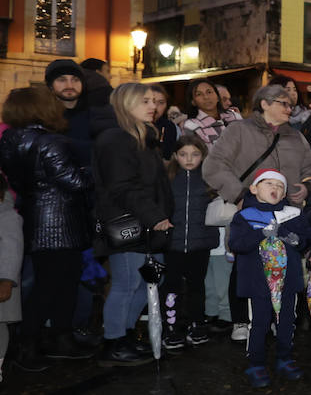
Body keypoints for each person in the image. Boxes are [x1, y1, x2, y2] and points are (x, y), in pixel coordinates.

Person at [203, 84, 311, 341]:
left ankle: (278, 317)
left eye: (291, 104)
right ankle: (241, 319)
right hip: (252, 208)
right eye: (283, 103)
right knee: (247, 262)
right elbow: (214, 166)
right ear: (264, 103)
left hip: (286, 211)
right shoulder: (239, 130)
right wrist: (241, 195)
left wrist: (306, 185)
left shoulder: (295, 136)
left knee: (285, 263)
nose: (290, 108)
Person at [0, 86, 93, 366]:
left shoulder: (9, 139)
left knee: (52, 282)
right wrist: (93, 173)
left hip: (34, 217)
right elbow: (74, 182)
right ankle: (31, 343)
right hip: (60, 221)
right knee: (56, 284)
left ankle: (55, 338)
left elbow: (15, 181)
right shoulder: (51, 141)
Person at [92, 83, 174, 368]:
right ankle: (113, 341)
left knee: (151, 279)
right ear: (126, 104)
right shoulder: (116, 139)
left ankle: (124, 336)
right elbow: (122, 187)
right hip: (127, 223)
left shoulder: (142, 136)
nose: (153, 106)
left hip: (147, 223)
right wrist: (155, 216)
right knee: (128, 283)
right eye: (145, 101)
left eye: (154, 100)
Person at [228, 167, 311, 386]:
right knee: (259, 323)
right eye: (269, 184)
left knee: (287, 322)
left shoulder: (293, 214)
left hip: (288, 281)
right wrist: (260, 234)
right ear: (254, 188)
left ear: (284, 194)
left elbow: (305, 239)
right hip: (258, 284)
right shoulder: (244, 216)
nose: (275, 188)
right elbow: (237, 244)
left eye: (280, 186)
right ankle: (255, 363)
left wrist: (297, 240)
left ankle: (284, 358)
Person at [163, 134, 218, 350]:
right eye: (183, 154)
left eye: (195, 154)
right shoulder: (167, 178)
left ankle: (197, 323)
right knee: (172, 287)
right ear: (175, 155)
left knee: (197, 286)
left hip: (200, 243)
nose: (189, 159)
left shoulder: (209, 178)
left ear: (203, 155)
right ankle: (173, 327)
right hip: (172, 243)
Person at [45, 59, 95, 168]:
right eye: (62, 80)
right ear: (50, 85)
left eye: (75, 79)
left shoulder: (96, 115)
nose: (69, 85)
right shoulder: (43, 118)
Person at [0, 172, 21, 379]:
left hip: (2, 281)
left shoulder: (6, 215)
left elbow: (12, 248)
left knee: (0, 325)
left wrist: (6, 279)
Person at [180, 79, 243, 147]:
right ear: (193, 102)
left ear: (218, 97)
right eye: (199, 94)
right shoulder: (191, 126)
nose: (206, 97)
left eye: (209, 92)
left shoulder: (234, 116)